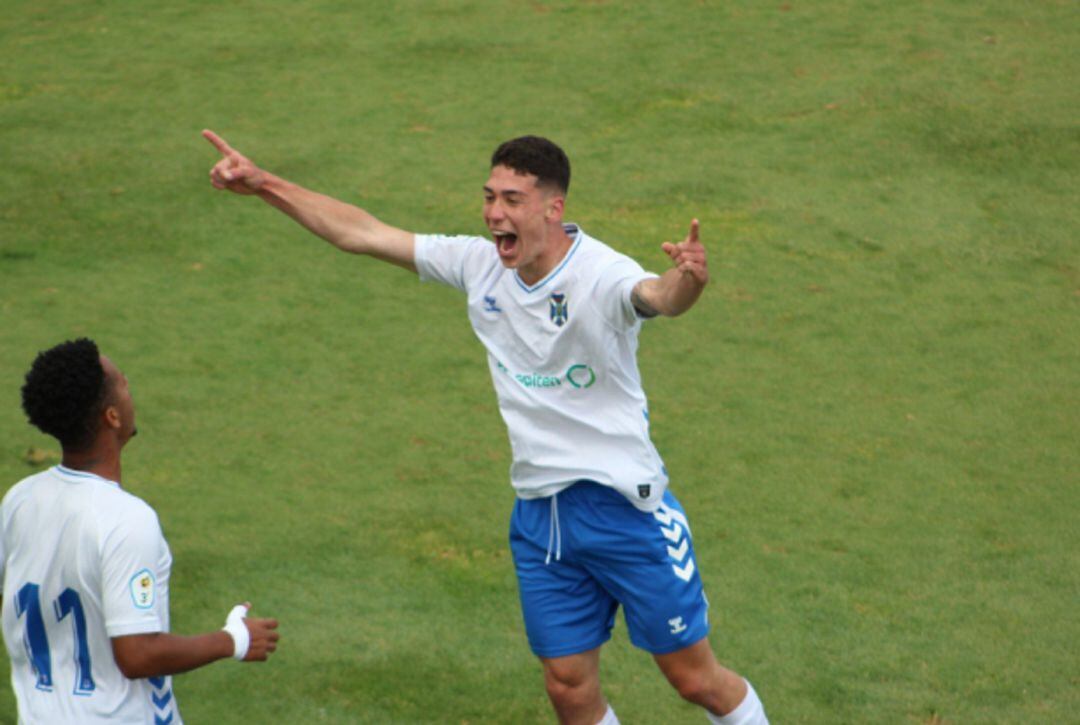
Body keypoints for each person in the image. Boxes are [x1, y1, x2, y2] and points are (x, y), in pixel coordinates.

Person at [203, 129, 768, 725]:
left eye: (512, 200)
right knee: (568, 688)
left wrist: (691, 279)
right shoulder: (479, 265)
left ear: (554, 208)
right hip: (540, 519)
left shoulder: (600, 274)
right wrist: (264, 183)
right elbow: (363, 233)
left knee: (693, 680)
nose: (495, 212)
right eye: (490, 196)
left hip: (626, 512)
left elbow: (656, 295)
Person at [2, 338, 280, 724]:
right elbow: (138, 655)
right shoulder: (126, 520)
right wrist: (233, 639)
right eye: (124, 384)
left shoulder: (20, 499)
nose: (130, 389)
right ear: (112, 416)